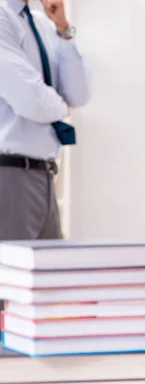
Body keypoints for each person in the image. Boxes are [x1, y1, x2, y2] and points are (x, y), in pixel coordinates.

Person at [0, 0, 90, 240]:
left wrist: (63, 28)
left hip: (44, 174)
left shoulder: (42, 23)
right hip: (9, 174)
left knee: (50, 274)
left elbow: (79, 94)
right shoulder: (2, 17)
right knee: (10, 275)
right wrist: (63, 107)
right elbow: (31, 100)